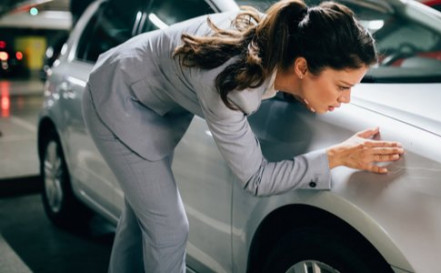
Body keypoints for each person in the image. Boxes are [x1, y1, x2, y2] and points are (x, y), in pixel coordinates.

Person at [81, 0, 404, 272]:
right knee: (168, 229)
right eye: (342, 87)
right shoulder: (234, 86)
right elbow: (258, 180)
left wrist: (305, 96)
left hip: (152, 94)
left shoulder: (279, 39)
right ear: (303, 67)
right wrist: (339, 155)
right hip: (121, 98)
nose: (345, 99)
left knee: (143, 219)